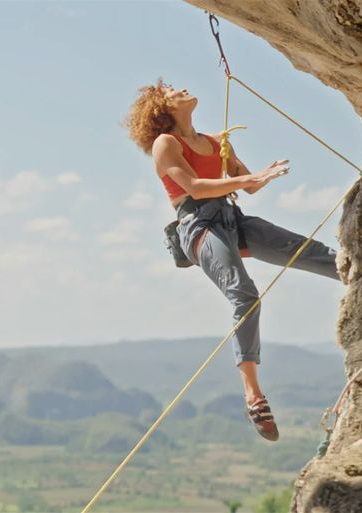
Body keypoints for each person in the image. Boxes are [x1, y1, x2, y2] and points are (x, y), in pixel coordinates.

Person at [124, 79, 341, 441]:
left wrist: (259, 174)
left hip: (229, 217)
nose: (181, 89)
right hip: (197, 225)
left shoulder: (214, 141)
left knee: (304, 249)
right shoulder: (166, 144)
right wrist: (250, 179)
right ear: (161, 107)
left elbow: (248, 186)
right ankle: (253, 394)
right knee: (244, 294)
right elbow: (195, 188)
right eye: (172, 90)